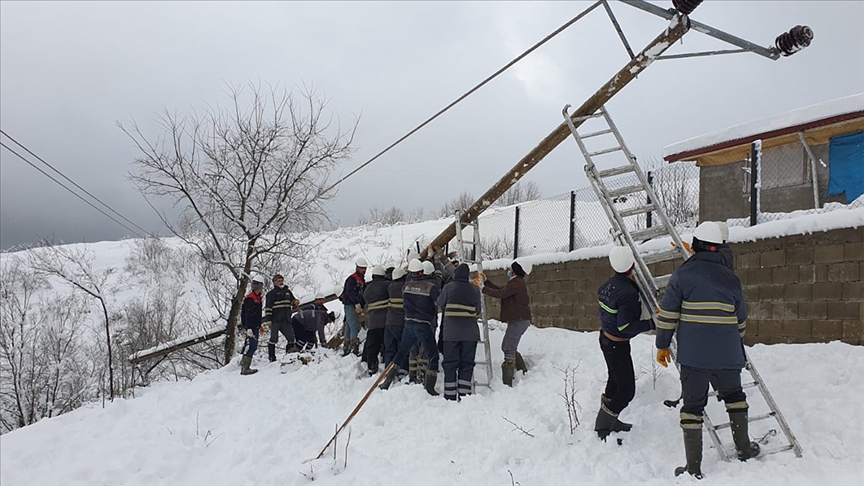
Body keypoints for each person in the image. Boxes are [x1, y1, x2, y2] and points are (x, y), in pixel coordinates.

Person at [656, 221, 759, 479]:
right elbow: (741, 321)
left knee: (692, 407)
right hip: (728, 355)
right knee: (735, 395)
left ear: (694, 245)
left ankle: (694, 467)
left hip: (695, 358)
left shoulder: (682, 275)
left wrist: (662, 344)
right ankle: (744, 448)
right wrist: (734, 346)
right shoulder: (732, 279)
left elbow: (667, 314)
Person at [593, 246, 655, 440]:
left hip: (606, 339)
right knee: (627, 390)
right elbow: (625, 326)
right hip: (616, 344)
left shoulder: (607, 286)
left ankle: (610, 420)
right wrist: (651, 323)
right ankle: (603, 425)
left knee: (615, 381)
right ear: (632, 265)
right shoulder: (627, 292)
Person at [379, 259, 442, 396]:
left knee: (402, 352)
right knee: (433, 355)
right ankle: (430, 388)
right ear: (422, 271)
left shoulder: (405, 287)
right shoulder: (429, 287)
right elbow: (441, 301)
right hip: (424, 325)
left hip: (408, 324)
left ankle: (387, 381)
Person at [474, 258, 532, 386]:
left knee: (508, 347)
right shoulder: (515, 282)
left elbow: (500, 293)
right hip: (519, 320)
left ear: (517, 270)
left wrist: (482, 288)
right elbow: (502, 290)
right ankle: (522, 372)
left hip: (519, 320)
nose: (509, 271)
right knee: (507, 345)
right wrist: (487, 282)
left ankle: (508, 383)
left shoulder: (517, 283)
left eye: (511, 269)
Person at [437, 263, 481, 401]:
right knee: (467, 364)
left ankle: (450, 396)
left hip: (451, 334)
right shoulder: (475, 290)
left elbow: (440, 302)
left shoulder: (449, 287)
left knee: (450, 364)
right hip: (470, 334)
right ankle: (465, 395)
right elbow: (478, 311)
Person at [263, 273, 300, 362]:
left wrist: (295, 302)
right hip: (275, 319)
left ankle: (289, 355)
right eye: (278, 281)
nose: (280, 282)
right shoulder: (271, 294)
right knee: (274, 339)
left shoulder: (287, 291)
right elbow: (268, 307)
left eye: (281, 280)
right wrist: (268, 320)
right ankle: (272, 358)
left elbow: (292, 300)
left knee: (291, 338)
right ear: (274, 282)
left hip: (286, 319)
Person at [362, 265, 390, 376]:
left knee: (373, 346)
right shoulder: (387, 285)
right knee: (387, 344)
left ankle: (371, 367)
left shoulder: (367, 289)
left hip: (372, 323)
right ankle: (387, 365)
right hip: (385, 321)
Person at [384, 265, 408, 379]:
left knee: (390, 348)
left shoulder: (390, 287)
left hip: (389, 323)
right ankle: (402, 370)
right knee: (401, 347)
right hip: (401, 322)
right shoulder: (405, 287)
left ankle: (388, 370)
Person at [340, 258, 367, 357]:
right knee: (355, 326)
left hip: (355, 304)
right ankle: (354, 349)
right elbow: (350, 292)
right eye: (362, 268)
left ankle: (347, 348)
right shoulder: (352, 278)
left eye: (365, 268)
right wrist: (356, 303)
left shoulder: (361, 280)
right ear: (357, 268)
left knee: (349, 327)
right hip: (350, 304)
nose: (364, 270)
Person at [239, 278, 264, 375]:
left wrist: (259, 325)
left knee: (253, 345)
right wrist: (248, 327)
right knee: (253, 346)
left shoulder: (258, 298)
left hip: (255, 326)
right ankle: (245, 367)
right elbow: (247, 314)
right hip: (251, 327)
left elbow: (256, 314)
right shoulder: (251, 298)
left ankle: (244, 364)